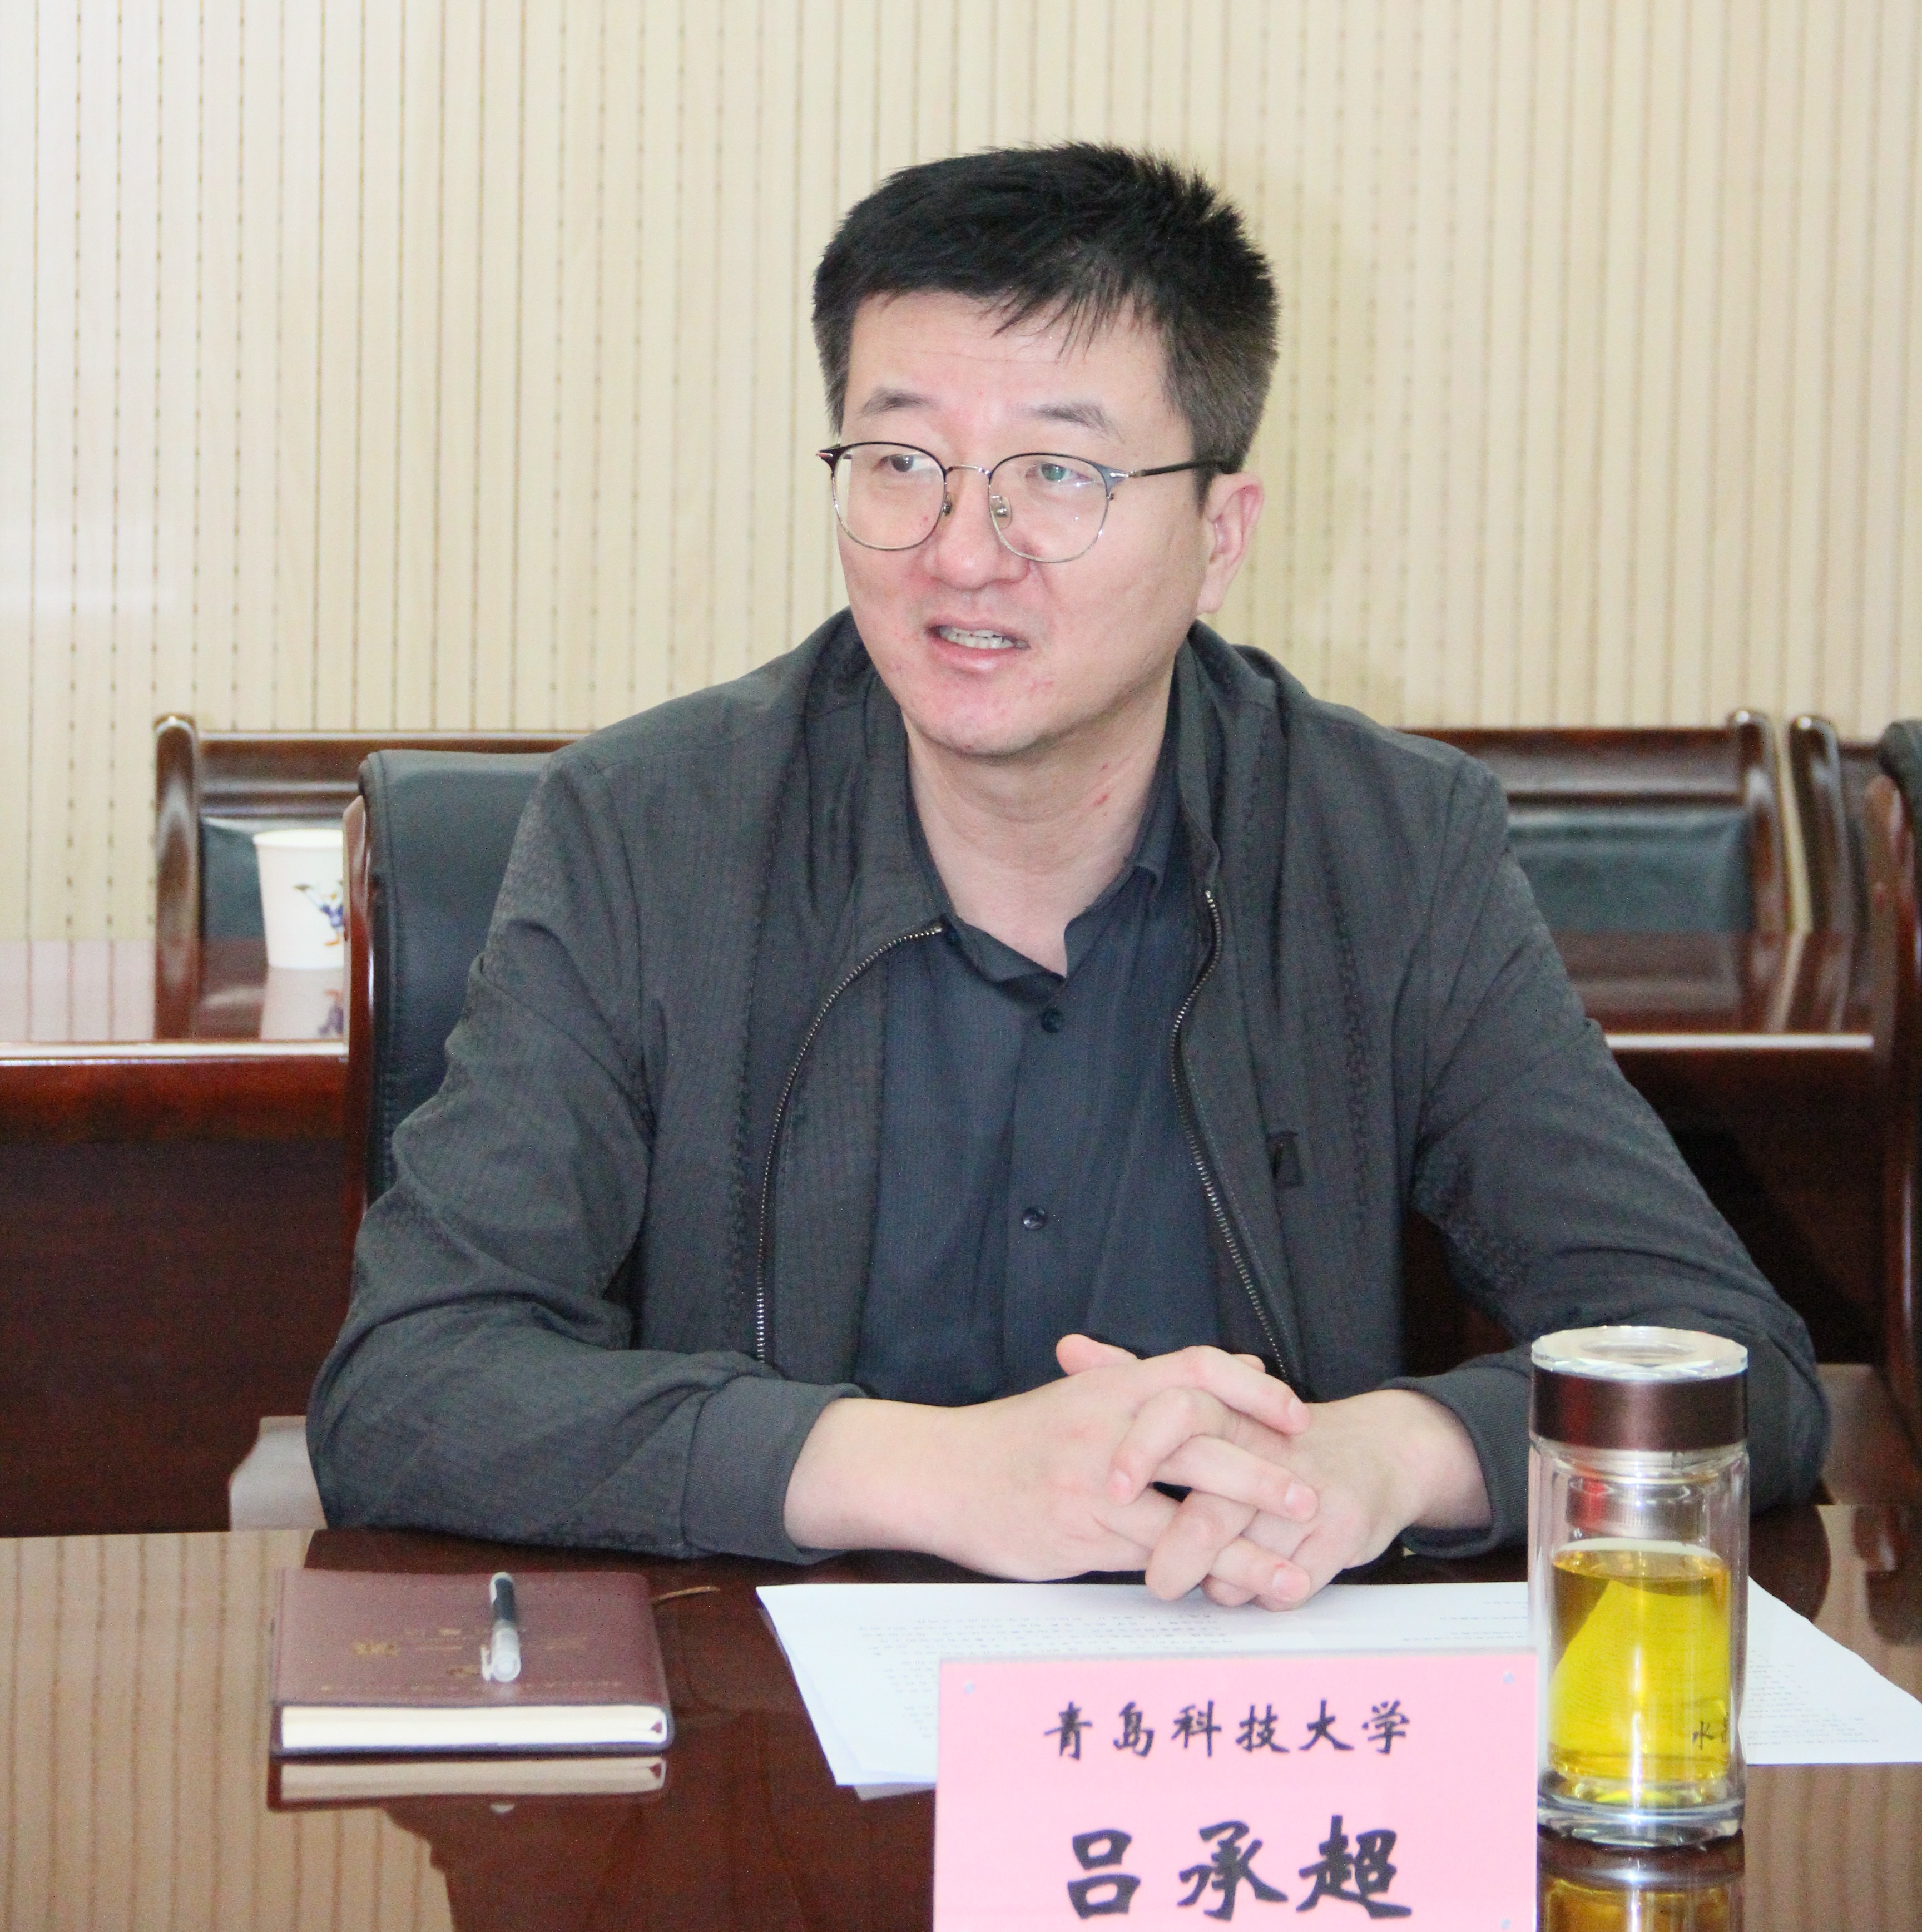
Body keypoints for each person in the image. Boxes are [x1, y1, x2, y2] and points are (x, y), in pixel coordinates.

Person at [309, 144, 1826, 1608]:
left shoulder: (1389, 849)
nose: (965, 552)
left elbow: (1731, 1365)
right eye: (900, 463)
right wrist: (924, 1470)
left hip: (1236, 1701)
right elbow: (410, 1386)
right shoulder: (646, 834)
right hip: (770, 1730)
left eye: (1058, 472)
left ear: (1219, 533)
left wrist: (1376, 1460)